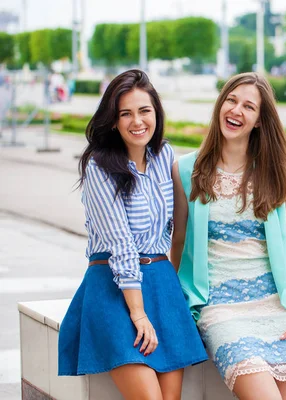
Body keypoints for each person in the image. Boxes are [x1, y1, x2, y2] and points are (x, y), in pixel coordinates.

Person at [58, 69, 207, 400]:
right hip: (113, 288)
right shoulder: (100, 168)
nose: (137, 121)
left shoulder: (163, 156)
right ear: (113, 120)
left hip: (162, 284)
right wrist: (137, 313)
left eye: (144, 111)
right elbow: (120, 246)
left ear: (156, 113)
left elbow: (178, 226)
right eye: (125, 113)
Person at [171, 72, 286, 400]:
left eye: (249, 107)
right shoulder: (186, 170)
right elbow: (178, 240)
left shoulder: (278, 172)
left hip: (276, 305)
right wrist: (171, 302)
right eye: (231, 100)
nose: (236, 110)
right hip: (220, 308)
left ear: (259, 121)